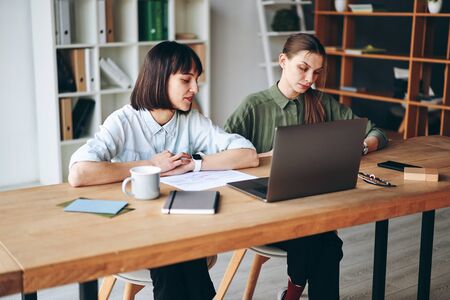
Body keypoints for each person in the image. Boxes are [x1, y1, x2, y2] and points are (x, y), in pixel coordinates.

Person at [69, 41, 259, 300]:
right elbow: (79, 173)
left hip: (183, 226)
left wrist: (195, 163)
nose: (195, 88)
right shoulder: (123, 121)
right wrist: (149, 166)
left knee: (180, 249)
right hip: (137, 231)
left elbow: (247, 155)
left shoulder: (192, 120)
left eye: (196, 79)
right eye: (186, 80)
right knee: (177, 253)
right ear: (160, 80)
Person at [224, 33, 387, 300]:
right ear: (283, 61)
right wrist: (266, 157)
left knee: (321, 237)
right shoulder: (253, 106)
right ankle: (293, 293)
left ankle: (292, 292)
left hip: (309, 209)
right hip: (263, 213)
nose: (310, 79)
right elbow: (221, 155)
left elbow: (376, 132)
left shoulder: (322, 103)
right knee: (323, 240)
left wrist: (362, 146)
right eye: (303, 68)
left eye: (317, 72)